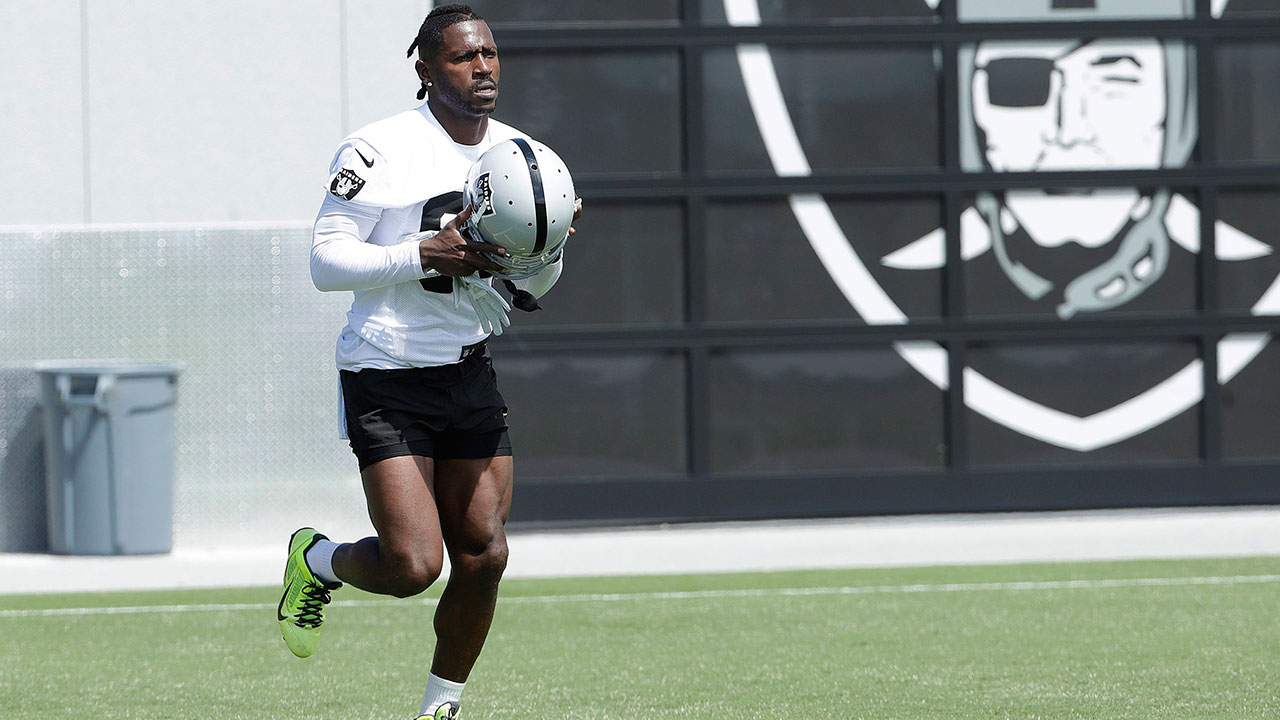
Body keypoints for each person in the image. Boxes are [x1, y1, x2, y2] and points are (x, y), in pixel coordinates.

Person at [276, 6, 577, 719]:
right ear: (425, 70)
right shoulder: (376, 149)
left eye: (490, 55)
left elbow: (534, 286)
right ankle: (315, 559)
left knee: (486, 554)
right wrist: (420, 253)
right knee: (414, 567)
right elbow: (325, 262)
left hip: (467, 369)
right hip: (385, 372)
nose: (483, 69)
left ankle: (441, 708)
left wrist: (549, 248)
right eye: (463, 58)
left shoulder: (521, 154)